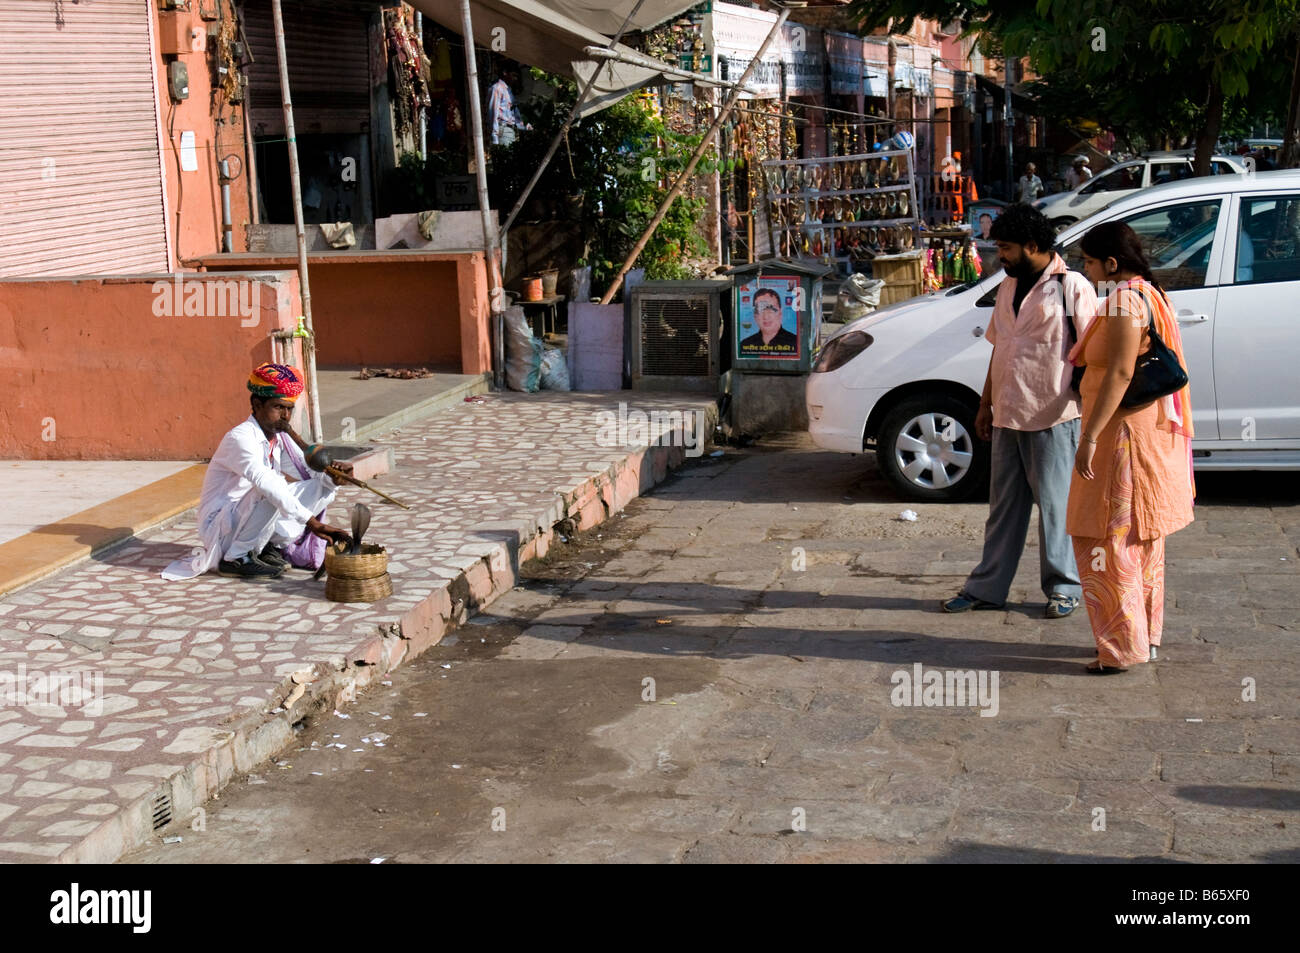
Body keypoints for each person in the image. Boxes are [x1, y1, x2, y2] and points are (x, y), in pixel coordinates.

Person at [943, 204, 1098, 618]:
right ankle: (986, 589)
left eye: (1007, 248)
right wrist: (985, 403)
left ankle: (1064, 587)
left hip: (1055, 414)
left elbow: (1093, 354)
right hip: (1007, 412)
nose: (1001, 257)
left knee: (1056, 508)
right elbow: (1001, 349)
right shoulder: (1008, 288)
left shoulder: (1073, 287)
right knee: (1003, 510)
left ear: (1033, 246)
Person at [1067, 221, 1195, 673]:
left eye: (1088, 260)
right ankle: (1143, 636)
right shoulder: (1150, 293)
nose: (1084, 268)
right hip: (1144, 432)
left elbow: (1120, 375)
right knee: (1142, 537)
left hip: (1122, 435)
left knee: (1108, 535)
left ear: (1111, 263)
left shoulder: (1124, 301)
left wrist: (1088, 438)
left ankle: (1122, 647)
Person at [161, 364, 353, 582]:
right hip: (220, 525)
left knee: (322, 486)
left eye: (289, 409)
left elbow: (307, 470)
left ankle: (265, 547)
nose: (285, 416)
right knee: (270, 488)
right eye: (279, 407)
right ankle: (236, 558)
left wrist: (334, 475)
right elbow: (266, 483)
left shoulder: (279, 436)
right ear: (257, 404)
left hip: (246, 516)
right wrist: (313, 523)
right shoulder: (240, 438)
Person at [740, 287, 798, 351]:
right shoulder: (745, 345)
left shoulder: (796, 343)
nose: (766, 317)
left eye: (771, 310)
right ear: (755, 316)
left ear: (780, 313)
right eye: (760, 310)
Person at [488, 68, 531, 146]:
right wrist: (494, 136)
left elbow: (514, 114)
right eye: (513, 75)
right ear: (505, 73)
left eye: (517, 76)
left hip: (509, 130)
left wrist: (527, 126)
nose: (515, 79)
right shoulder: (497, 88)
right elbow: (493, 113)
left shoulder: (509, 91)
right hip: (502, 130)